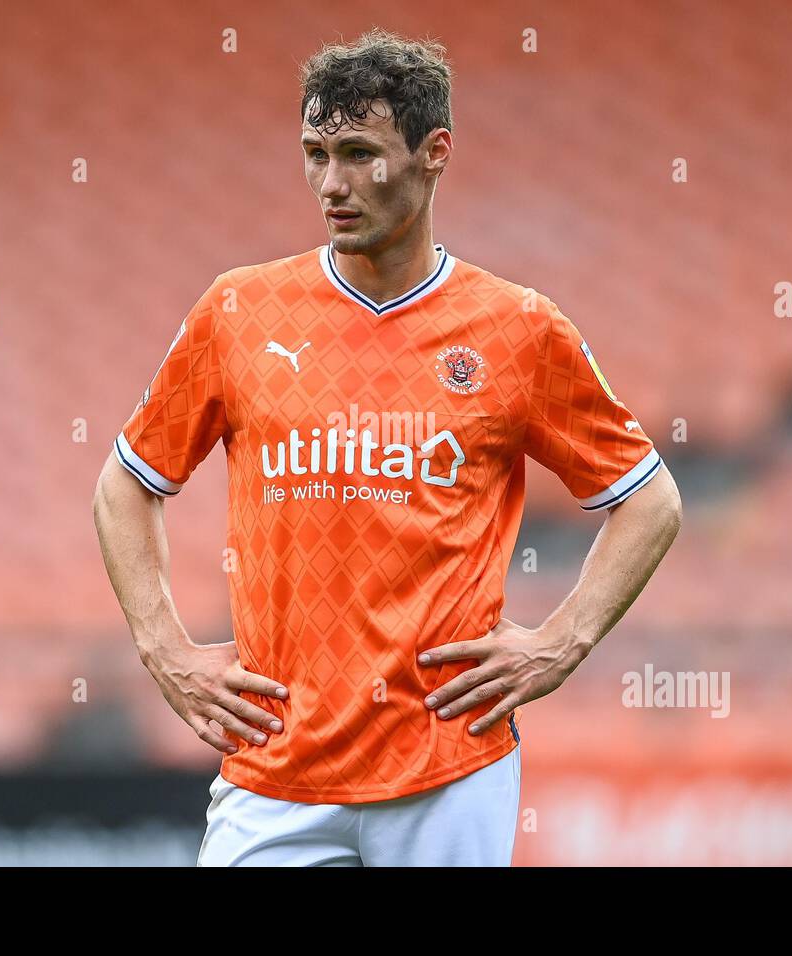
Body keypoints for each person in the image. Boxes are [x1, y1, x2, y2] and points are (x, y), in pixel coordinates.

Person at [92, 28, 681, 866]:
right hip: (275, 770)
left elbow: (649, 500)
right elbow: (123, 486)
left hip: (448, 765)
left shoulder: (518, 329)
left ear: (434, 152)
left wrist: (561, 642)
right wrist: (166, 651)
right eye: (315, 152)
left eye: (360, 153)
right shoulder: (238, 313)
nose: (331, 184)